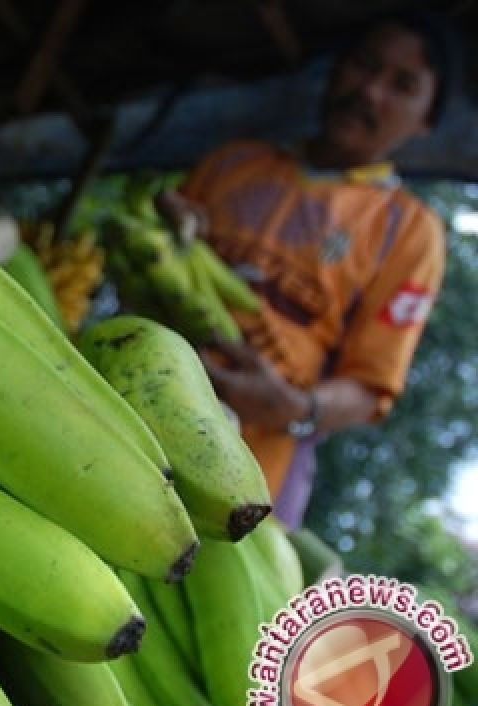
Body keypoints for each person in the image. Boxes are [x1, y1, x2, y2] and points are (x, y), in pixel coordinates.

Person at [155, 10, 451, 528]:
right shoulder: (232, 164)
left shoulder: (407, 230)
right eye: (365, 66)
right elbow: (139, 270)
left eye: (402, 85)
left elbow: (368, 387)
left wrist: (294, 406)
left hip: (252, 468)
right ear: (337, 69)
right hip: (141, 400)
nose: (371, 92)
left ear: (426, 120)